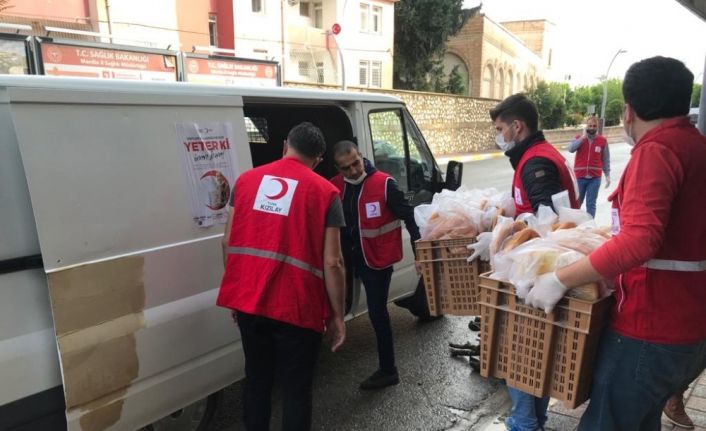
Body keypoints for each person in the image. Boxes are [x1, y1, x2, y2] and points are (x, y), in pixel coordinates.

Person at [525, 56, 706, 431]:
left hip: (649, 327)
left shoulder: (657, 151)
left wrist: (560, 279)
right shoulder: (696, 146)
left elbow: (641, 241)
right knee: (640, 422)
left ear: (628, 110)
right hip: (689, 327)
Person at [217, 122, 346, 431]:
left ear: (285, 145)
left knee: (257, 382)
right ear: (317, 159)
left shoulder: (246, 181)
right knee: (295, 390)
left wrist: (238, 294)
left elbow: (227, 241)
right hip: (298, 309)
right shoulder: (326, 192)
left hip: (250, 301)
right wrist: (337, 317)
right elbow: (333, 262)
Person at [490, 93, 579, 431]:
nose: (498, 135)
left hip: (537, 275)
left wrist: (506, 235)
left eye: (500, 128)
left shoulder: (535, 163)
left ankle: (525, 424)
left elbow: (549, 222)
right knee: (535, 354)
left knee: (522, 353)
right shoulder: (537, 155)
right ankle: (532, 421)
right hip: (540, 271)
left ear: (517, 126)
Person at [330, 140, 420, 390]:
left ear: (362, 156)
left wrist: (419, 252)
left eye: (356, 163)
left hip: (376, 261)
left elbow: (410, 217)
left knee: (377, 313)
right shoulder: (334, 187)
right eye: (346, 168)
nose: (354, 171)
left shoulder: (384, 184)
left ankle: (388, 370)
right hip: (347, 260)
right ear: (338, 169)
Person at [567, 116, 611, 217]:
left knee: (591, 204)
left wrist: (607, 175)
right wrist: (583, 138)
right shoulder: (579, 138)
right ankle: (575, 225)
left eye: (594, 126)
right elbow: (570, 149)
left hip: (595, 178)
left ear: (597, 127)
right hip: (580, 177)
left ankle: (590, 227)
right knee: (577, 204)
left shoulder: (602, 141)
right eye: (590, 125)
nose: (592, 128)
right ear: (586, 126)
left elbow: (605, 159)